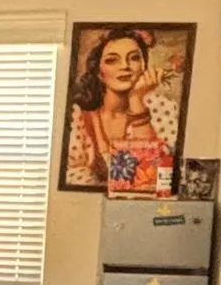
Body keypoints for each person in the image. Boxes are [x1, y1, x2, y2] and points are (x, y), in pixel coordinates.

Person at [69, 26, 176, 196]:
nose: (125, 66)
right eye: (112, 60)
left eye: (134, 58)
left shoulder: (163, 109)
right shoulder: (77, 115)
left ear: (144, 66)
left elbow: (152, 180)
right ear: (99, 72)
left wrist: (136, 101)